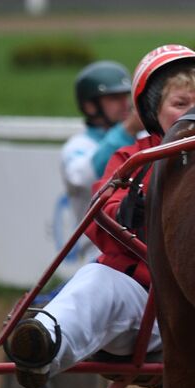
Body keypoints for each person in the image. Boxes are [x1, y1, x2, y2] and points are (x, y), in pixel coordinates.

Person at [6, 45, 195, 388]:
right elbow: (99, 208)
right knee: (101, 282)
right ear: (152, 111)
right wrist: (136, 202)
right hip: (145, 307)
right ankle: (45, 342)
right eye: (181, 104)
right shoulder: (128, 156)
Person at [62, 60, 143, 262]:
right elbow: (81, 177)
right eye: (115, 98)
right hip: (98, 255)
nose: (125, 104)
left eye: (126, 96)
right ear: (90, 106)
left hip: (142, 251)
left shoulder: (141, 138)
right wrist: (127, 130)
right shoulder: (77, 145)